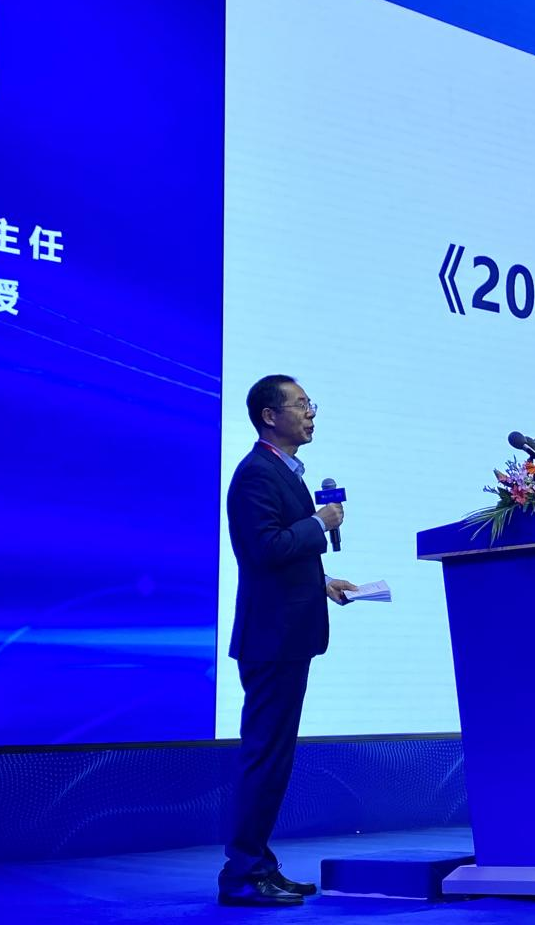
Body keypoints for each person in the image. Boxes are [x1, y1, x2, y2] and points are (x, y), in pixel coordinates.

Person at [217, 374, 357, 907]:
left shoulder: (284, 472)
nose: (310, 413)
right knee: (264, 756)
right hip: (270, 639)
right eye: (300, 405)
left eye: (309, 404)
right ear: (269, 416)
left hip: (287, 636)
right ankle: (242, 874)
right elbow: (264, 549)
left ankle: (259, 865)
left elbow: (282, 558)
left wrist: (323, 582)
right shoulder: (256, 473)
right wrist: (319, 524)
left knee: (274, 759)